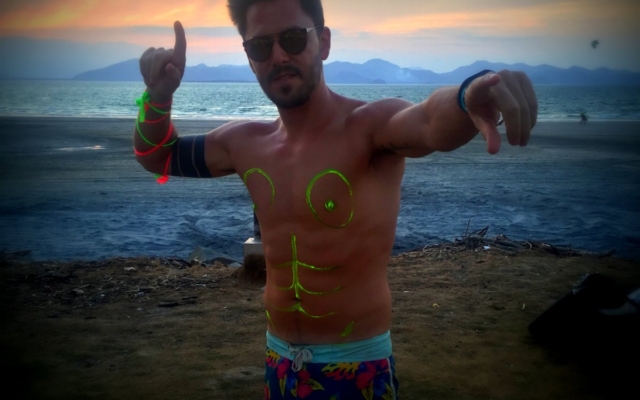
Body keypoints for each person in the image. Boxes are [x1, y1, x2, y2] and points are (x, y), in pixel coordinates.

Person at [134, 0, 537, 398]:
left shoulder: (370, 128)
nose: (278, 56)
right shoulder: (245, 143)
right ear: (249, 59)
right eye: (261, 46)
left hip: (357, 367)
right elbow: (157, 156)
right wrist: (157, 96)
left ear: (323, 42)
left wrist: (468, 96)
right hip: (279, 366)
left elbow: (430, 121)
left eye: (293, 38)